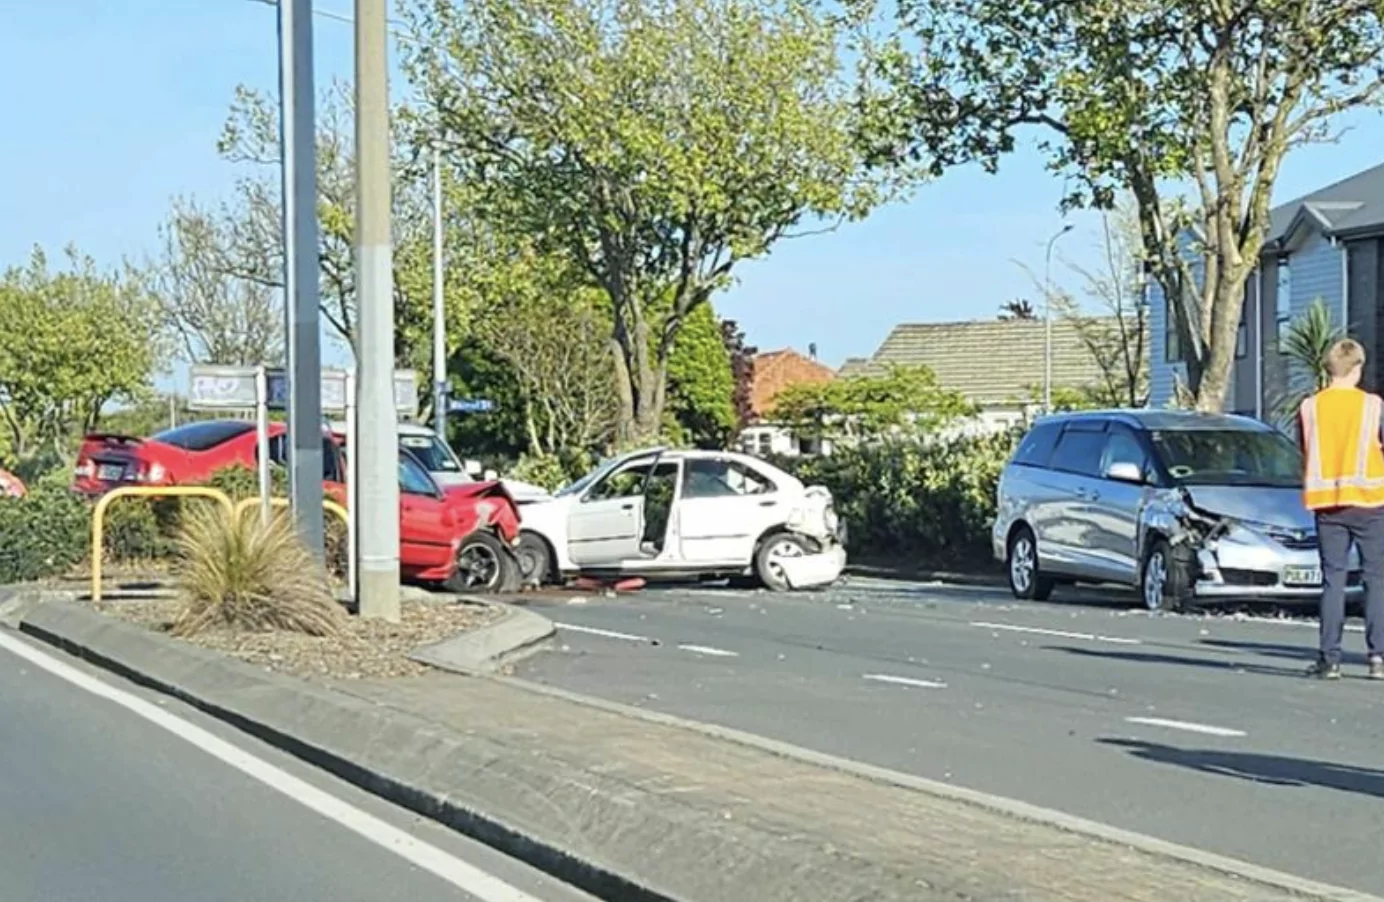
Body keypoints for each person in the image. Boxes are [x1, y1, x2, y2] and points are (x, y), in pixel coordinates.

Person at [1299, 338, 1384, 680]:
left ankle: (1329, 658)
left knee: (1333, 579)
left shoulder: (1309, 407)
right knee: (1375, 579)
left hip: (1327, 503)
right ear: (1358, 368)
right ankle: (1378, 657)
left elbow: (1303, 449)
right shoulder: (1373, 406)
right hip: (1370, 501)